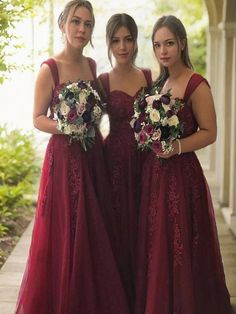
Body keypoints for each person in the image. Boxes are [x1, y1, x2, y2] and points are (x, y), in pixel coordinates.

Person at [15, 1, 129, 313]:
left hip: (93, 156)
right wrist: (68, 125)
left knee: (93, 227)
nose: (81, 29)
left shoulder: (92, 66)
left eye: (88, 24)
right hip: (64, 158)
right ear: (63, 23)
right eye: (76, 22)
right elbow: (38, 118)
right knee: (67, 227)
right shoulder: (49, 68)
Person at [134, 15, 235, 314]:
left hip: (182, 175)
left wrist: (175, 147)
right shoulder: (159, 83)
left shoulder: (196, 83)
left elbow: (210, 132)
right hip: (156, 175)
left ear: (181, 43)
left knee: (180, 243)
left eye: (168, 43)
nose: (163, 50)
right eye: (157, 45)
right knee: (158, 241)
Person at [98, 13, 152, 313]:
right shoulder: (102, 81)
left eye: (128, 39)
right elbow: (90, 124)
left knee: (145, 224)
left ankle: (146, 292)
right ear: (108, 43)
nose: (123, 46)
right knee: (118, 226)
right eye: (116, 40)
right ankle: (119, 296)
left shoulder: (148, 75)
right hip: (114, 162)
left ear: (135, 41)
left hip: (146, 158)